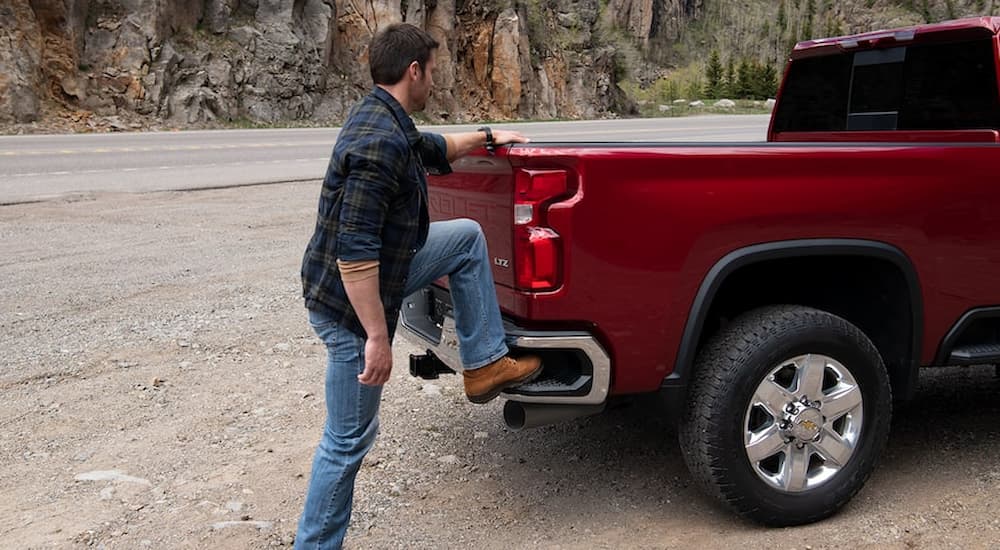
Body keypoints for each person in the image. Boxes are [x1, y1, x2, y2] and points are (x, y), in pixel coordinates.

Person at [296, 23, 543, 549]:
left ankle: (483, 364)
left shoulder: (383, 117)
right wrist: (376, 339)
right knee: (347, 441)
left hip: (384, 269)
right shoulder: (378, 144)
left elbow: (430, 147)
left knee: (466, 238)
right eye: (432, 72)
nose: (434, 80)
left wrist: (489, 137)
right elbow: (354, 254)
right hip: (349, 306)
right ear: (414, 72)